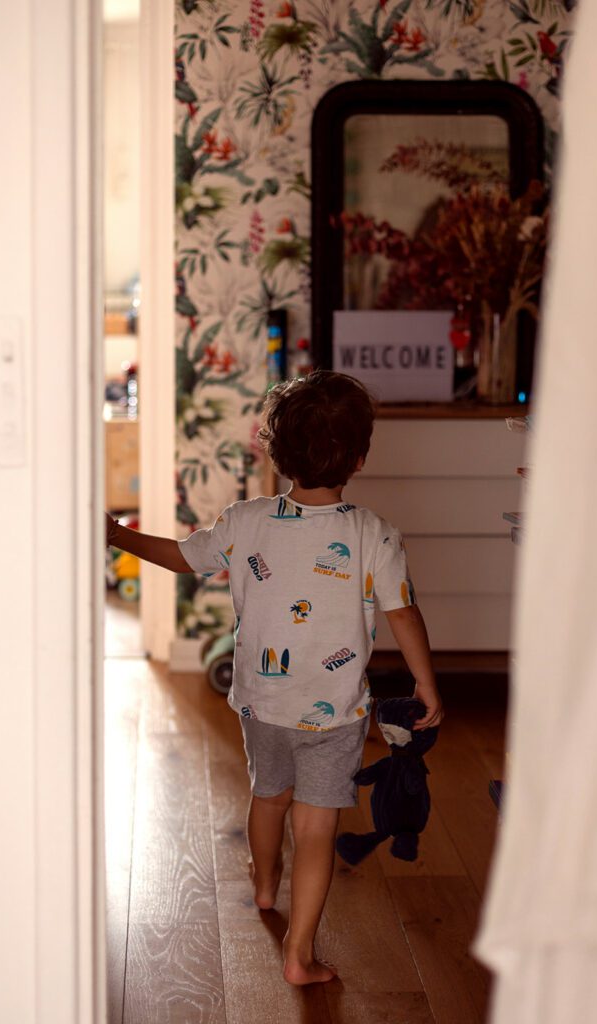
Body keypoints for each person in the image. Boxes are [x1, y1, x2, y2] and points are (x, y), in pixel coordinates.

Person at [106, 369, 443, 986]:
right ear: (360, 457)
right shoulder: (374, 534)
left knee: (269, 796)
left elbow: (182, 556)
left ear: (275, 450)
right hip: (337, 712)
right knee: (315, 826)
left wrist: (116, 534)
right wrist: (426, 683)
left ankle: (264, 888)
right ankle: (299, 953)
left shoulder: (245, 520)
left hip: (261, 704)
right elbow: (403, 614)